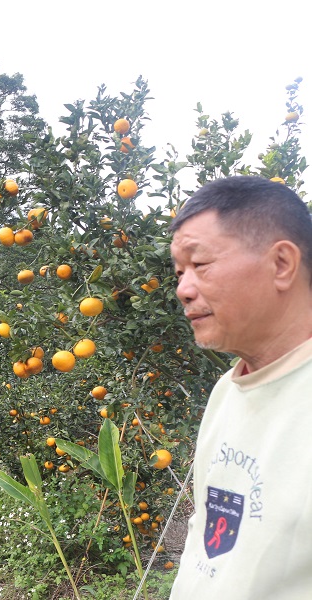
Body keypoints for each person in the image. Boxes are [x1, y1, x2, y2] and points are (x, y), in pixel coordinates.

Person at [168, 175, 312, 599]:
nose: (183, 289)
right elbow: (208, 536)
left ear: (282, 263)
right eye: (179, 271)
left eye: (200, 264)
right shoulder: (226, 391)